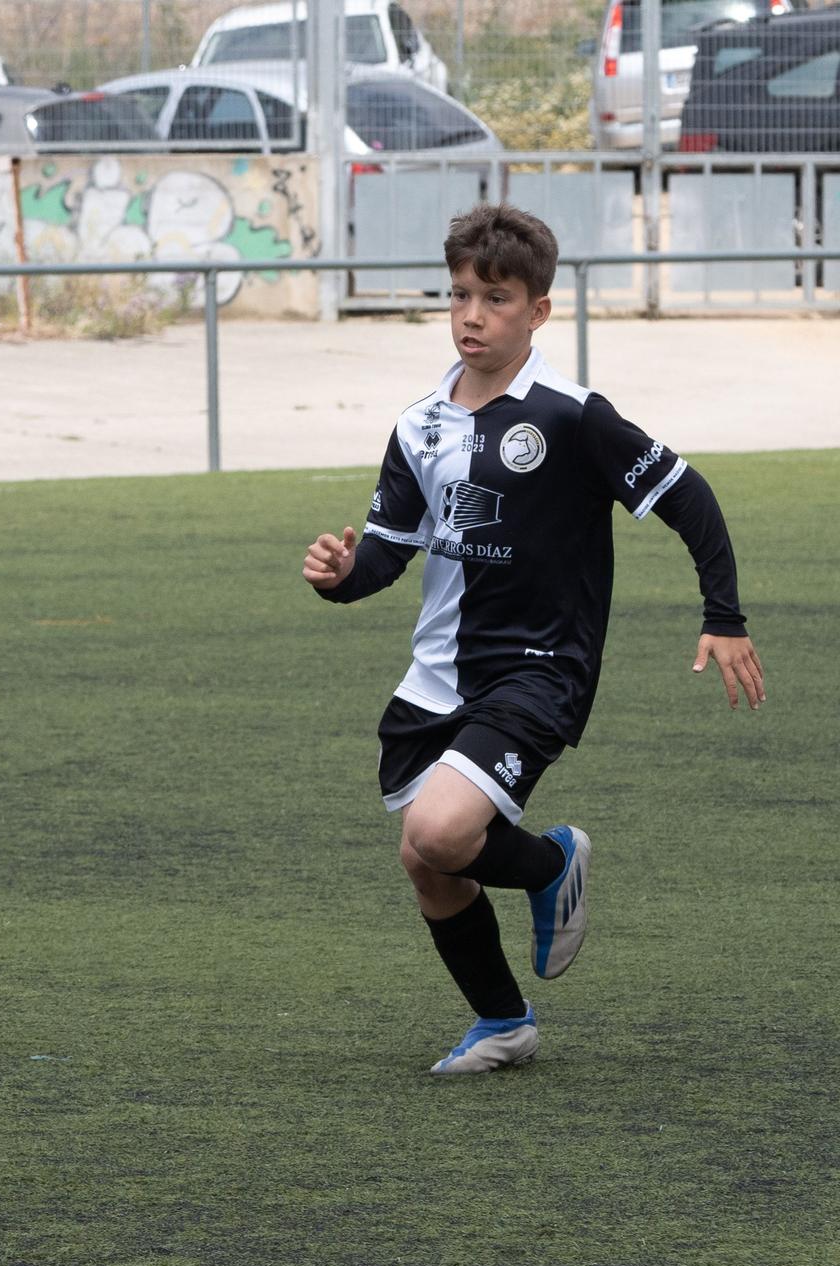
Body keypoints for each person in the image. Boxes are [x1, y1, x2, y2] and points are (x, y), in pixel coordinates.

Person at [301, 204, 764, 1076]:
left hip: (540, 667)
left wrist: (724, 615)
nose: (473, 315)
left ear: (538, 311)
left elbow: (688, 494)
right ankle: (505, 1022)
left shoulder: (571, 416)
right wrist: (340, 574)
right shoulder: (419, 423)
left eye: (497, 299)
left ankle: (553, 863)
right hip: (436, 678)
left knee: (440, 831)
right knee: (427, 860)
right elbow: (388, 557)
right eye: (461, 295)